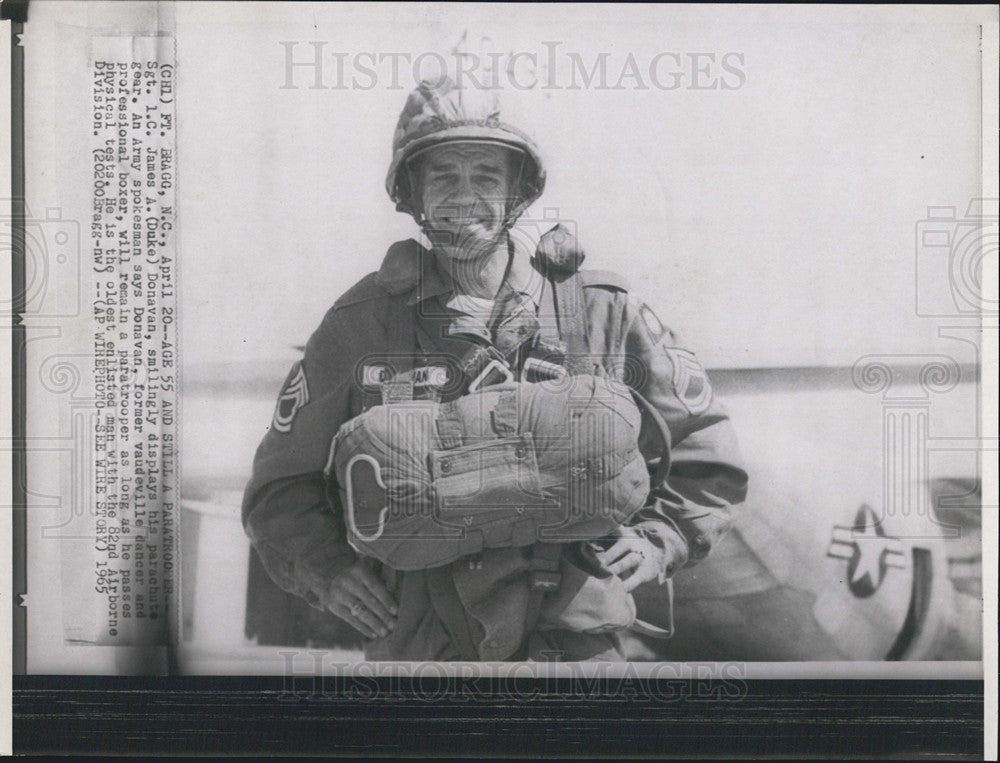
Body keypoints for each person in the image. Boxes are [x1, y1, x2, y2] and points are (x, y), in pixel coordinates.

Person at [242, 76, 748, 661]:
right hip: (424, 654)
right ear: (412, 193)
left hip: (574, 655)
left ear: (518, 193)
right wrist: (329, 572)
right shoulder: (359, 326)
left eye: (486, 175)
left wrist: (660, 542)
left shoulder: (599, 311)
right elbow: (279, 490)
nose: (464, 196)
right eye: (443, 176)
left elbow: (706, 452)